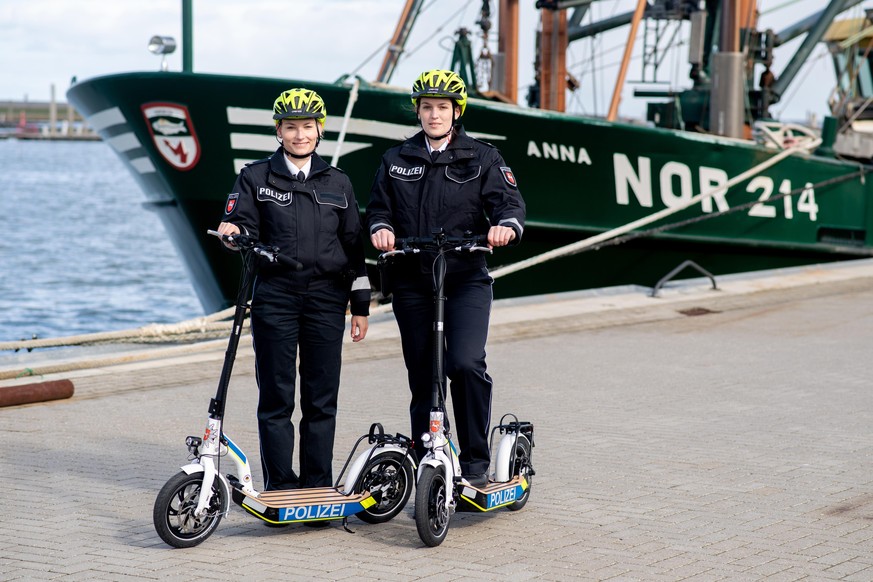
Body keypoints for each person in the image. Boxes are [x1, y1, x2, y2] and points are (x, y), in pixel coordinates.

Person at [366, 69, 525, 488]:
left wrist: (504, 226)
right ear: (417, 112)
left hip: (465, 278)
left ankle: (475, 459)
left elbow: (508, 204)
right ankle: (427, 451)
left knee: (465, 363)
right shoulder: (396, 159)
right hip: (414, 281)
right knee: (424, 373)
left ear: (456, 112)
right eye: (426, 107)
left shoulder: (482, 157)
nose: (434, 115)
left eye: (442, 107)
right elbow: (378, 210)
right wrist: (379, 229)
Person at [216, 88, 370, 493]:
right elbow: (240, 225)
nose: (299, 135)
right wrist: (233, 233)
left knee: (321, 399)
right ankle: (282, 488)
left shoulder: (338, 182)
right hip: (275, 298)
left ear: (320, 130)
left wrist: (360, 306)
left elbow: (355, 249)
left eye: (307, 126)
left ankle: (317, 487)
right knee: (277, 398)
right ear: (278, 131)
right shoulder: (255, 177)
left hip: (326, 299)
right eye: (290, 127)